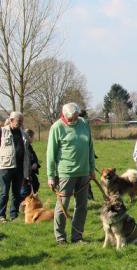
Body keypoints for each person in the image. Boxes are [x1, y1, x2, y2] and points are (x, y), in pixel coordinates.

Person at [47, 103, 96, 244]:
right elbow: (51, 153)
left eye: (76, 117)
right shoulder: (57, 127)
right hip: (65, 173)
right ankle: (60, 237)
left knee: (82, 206)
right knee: (62, 205)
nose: (74, 121)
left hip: (84, 172)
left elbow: (90, 147)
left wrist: (92, 169)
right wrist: (51, 176)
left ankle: (77, 237)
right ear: (64, 116)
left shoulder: (84, 124)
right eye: (71, 119)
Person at [0, 112, 33, 223]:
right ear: (11, 120)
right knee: (4, 192)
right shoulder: (1, 131)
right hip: (5, 166)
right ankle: (1, 215)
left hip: (19, 167)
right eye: (18, 121)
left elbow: (28, 150)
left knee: (16, 192)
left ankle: (14, 215)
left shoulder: (23, 133)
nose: (20, 124)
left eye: (21, 122)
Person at [20, 128, 41, 199]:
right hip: (26, 171)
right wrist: (32, 164)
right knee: (25, 188)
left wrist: (36, 163)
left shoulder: (29, 145)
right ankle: (22, 202)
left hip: (30, 170)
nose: (33, 139)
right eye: (33, 137)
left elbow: (32, 156)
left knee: (35, 184)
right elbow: (28, 157)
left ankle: (30, 200)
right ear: (29, 137)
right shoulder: (24, 146)